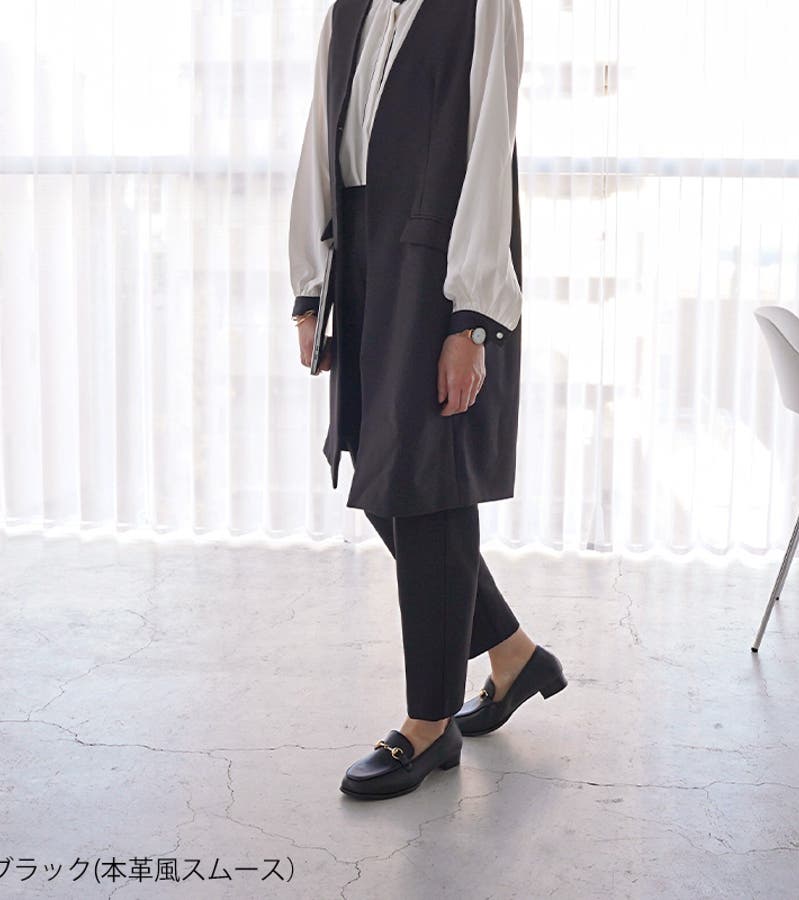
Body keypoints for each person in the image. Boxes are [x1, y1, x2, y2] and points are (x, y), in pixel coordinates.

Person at [288, 0, 566, 801]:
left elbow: (489, 151)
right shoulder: (349, 8)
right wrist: (310, 287)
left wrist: (471, 318)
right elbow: (320, 141)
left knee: (426, 479)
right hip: (360, 256)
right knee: (382, 472)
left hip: (436, 262)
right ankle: (512, 655)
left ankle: (429, 722)